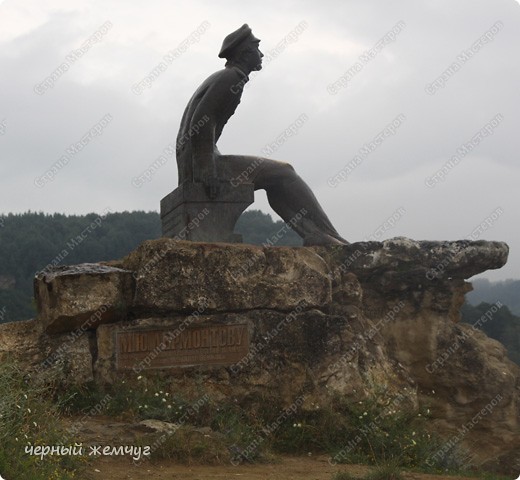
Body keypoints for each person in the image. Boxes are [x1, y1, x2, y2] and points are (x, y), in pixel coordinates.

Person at [176, 24, 348, 246]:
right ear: (246, 53)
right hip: (202, 163)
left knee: (277, 178)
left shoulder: (225, 77)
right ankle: (327, 236)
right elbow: (202, 121)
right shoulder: (231, 78)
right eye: (258, 49)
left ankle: (319, 235)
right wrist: (207, 169)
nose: (262, 54)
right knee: (285, 173)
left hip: (196, 160)